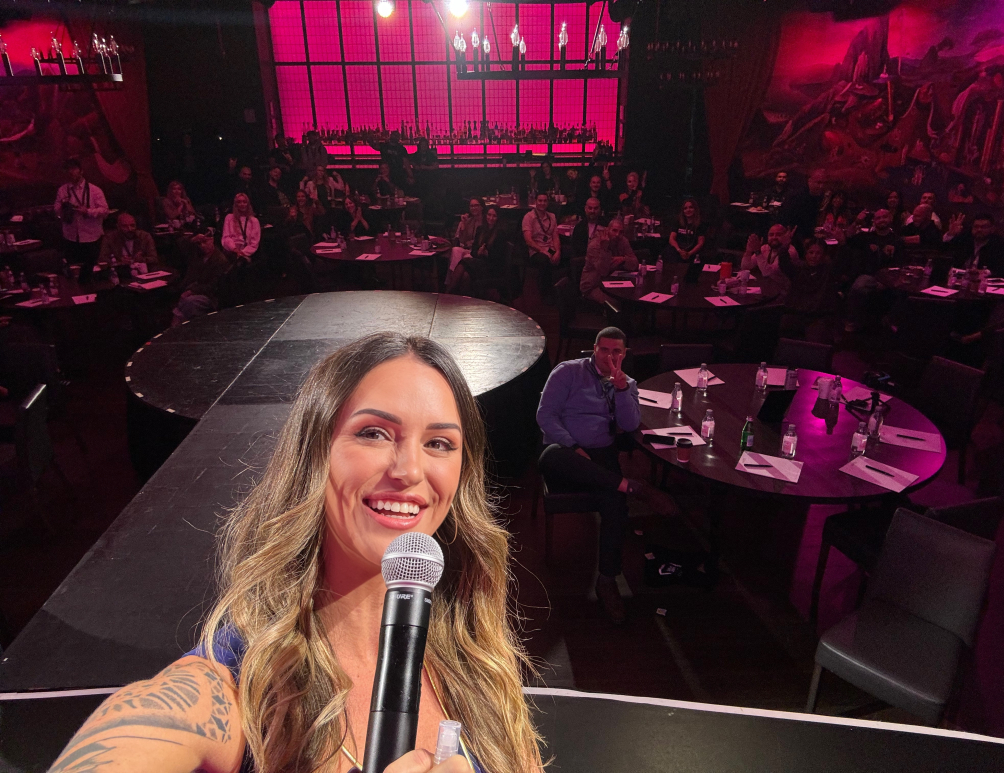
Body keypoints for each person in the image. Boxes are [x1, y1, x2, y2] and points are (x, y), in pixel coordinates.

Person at [49, 332, 544, 773]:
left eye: (439, 443)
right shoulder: (237, 685)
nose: (410, 470)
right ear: (313, 452)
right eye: (373, 433)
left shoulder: (478, 659)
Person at [537, 327, 669, 624]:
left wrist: (621, 390)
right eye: (604, 350)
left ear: (624, 354)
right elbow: (545, 415)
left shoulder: (628, 384)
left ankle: (607, 580)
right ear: (594, 349)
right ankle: (634, 487)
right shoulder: (567, 372)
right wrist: (573, 445)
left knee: (615, 505)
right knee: (551, 455)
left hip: (602, 455)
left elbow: (630, 424)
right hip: (567, 453)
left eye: (616, 351)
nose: (610, 356)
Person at [844, 208, 904, 332]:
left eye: (884, 217)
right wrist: (857, 221)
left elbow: (900, 263)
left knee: (905, 291)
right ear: (874, 221)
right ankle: (852, 320)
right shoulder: (866, 237)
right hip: (869, 276)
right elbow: (848, 237)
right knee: (858, 287)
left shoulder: (897, 240)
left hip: (890, 277)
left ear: (890, 219)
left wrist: (886, 281)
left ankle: (890, 320)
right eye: (878, 218)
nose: (881, 220)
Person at [54, 158, 108, 278]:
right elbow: (56, 209)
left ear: (81, 171)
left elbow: (105, 211)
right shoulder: (62, 190)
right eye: (68, 169)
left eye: (73, 169)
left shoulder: (94, 190)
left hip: (91, 236)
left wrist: (87, 211)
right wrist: (64, 209)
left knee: (92, 271)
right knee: (73, 272)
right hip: (70, 236)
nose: (70, 172)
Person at [780, 238, 840, 343]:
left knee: (814, 338)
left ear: (823, 255)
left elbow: (840, 263)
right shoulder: (799, 269)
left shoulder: (828, 271)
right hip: (797, 312)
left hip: (818, 315)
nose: (814, 256)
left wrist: (842, 243)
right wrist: (784, 248)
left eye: (818, 253)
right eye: (811, 252)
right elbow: (785, 265)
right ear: (806, 254)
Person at [171, 231, 231, 326]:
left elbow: (213, 286)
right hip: (197, 290)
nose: (202, 246)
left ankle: (177, 329)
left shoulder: (220, 260)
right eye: (199, 243)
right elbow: (180, 245)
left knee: (188, 303)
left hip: (211, 296)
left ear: (212, 240)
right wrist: (192, 239)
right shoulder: (198, 255)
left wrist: (192, 291)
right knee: (183, 304)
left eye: (205, 242)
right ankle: (178, 328)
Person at [446, 205, 505, 295]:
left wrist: (487, 254)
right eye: (489, 215)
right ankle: (460, 299)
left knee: (464, 263)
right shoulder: (481, 229)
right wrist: (478, 252)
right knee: (465, 276)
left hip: (491, 267)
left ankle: (447, 295)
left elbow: (500, 258)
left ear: (498, 218)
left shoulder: (500, 233)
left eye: (494, 216)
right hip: (478, 263)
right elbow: (473, 251)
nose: (491, 218)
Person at [580, 218, 638, 305]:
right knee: (616, 302)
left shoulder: (623, 241)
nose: (617, 234)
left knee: (633, 297)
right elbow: (603, 271)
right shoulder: (594, 245)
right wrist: (605, 249)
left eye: (621, 232)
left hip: (615, 282)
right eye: (614, 230)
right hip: (593, 286)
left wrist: (623, 259)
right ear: (607, 230)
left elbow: (635, 264)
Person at [944, 212, 1004, 276]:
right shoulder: (965, 238)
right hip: (960, 278)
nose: (979, 230)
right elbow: (945, 250)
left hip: (984, 281)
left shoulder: (999, 244)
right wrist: (951, 234)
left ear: (992, 229)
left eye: (984, 227)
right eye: (976, 226)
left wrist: (984, 272)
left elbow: (1000, 269)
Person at [742, 223, 800, 296]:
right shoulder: (765, 248)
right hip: (767, 290)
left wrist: (757, 252)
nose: (774, 237)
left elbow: (769, 273)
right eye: (771, 235)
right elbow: (745, 266)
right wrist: (748, 251)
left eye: (778, 234)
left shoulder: (790, 252)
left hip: (784, 295)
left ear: (786, 236)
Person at [522, 192, 561, 300]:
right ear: (536, 202)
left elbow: (555, 237)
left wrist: (557, 251)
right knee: (544, 260)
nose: (542, 203)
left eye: (545, 201)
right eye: (540, 200)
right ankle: (546, 294)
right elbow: (528, 241)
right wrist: (542, 250)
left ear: (547, 203)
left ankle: (563, 290)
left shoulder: (552, 216)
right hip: (536, 250)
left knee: (567, 254)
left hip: (549, 248)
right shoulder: (528, 217)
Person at [447, 198, 484, 288]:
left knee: (466, 257)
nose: (473, 208)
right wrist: (463, 224)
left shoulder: (485, 221)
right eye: (471, 206)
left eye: (476, 205)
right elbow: (462, 241)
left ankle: (451, 285)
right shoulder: (469, 221)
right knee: (455, 250)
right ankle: (452, 277)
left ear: (482, 207)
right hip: (467, 249)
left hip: (477, 251)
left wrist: (471, 245)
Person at [781, 169, 827, 240]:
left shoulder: (820, 196)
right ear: (809, 181)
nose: (821, 186)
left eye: (824, 183)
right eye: (818, 183)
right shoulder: (796, 197)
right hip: (794, 236)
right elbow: (789, 220)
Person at [663, 197, 706, 264]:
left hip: (692, 251)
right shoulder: (678, 222)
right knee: (668, 251)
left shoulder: (700, 224)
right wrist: (679, 250)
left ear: (695, 209)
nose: (688, 210)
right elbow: (671, 239)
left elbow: (700, 243)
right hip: (678, 250)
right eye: (685, 208)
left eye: (691, 207)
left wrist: (689, 253)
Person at [221, 193, 261, 263]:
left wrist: (242, 253)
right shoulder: (229, 218)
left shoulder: (254, 221)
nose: (242, 204)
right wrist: (234, 249)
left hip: (246, 253)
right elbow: (226, 237)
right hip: (231, 251)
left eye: (244, 202)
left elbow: (254, 243)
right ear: (235, 204)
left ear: (248, 204)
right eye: (239, 202)